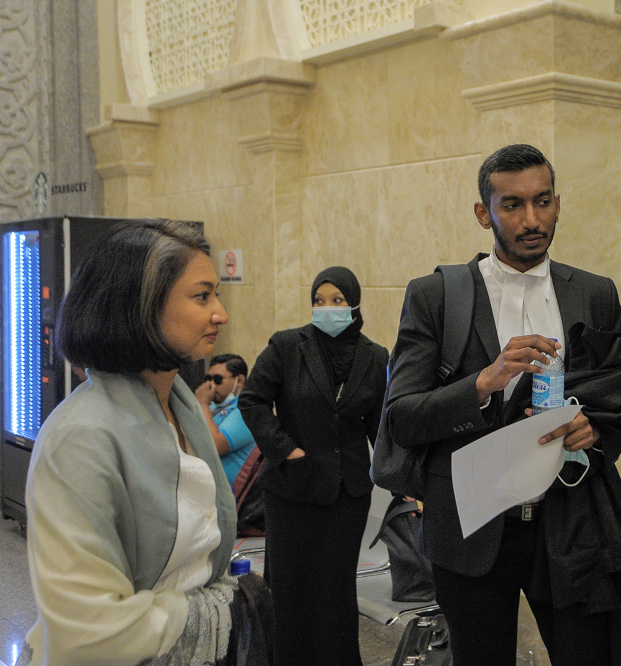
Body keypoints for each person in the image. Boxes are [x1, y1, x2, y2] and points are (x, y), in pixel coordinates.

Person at [380, 144, 621, 665]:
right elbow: (403, 417)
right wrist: (484, 381)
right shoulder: (437, 296)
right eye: (513, 205)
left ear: (557, 203)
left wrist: (595, 431)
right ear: (484, 213)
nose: (533, 219)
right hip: (472, 526)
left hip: (570, 519)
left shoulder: (594, 292)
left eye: (543, 201)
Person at [18, 219, 272, 665]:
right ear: (141, 306)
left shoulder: (181, 403)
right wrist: (209, 610)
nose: (221, 313)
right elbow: (89, 632)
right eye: (202, 296)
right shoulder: (79, 439)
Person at [240, 266, 389, 666]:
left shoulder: (375, 357)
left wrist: (402, 475)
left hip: (348, 492)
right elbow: (252, 400)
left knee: (336, 590)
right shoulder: (287, 346)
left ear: (354, 303)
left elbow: (380, 424)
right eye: (319, 301)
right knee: (291, 588)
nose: (327, 309)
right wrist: (286, 450)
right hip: (293, 488)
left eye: (337, 300)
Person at [195, 353, 256, 485]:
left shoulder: (247, 409)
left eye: (217, 379)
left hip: (230, 496)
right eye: (208, 379)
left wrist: (202, 404)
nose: (212, 385)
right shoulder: (213, 406)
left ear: (239, 380)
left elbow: (216, 446)